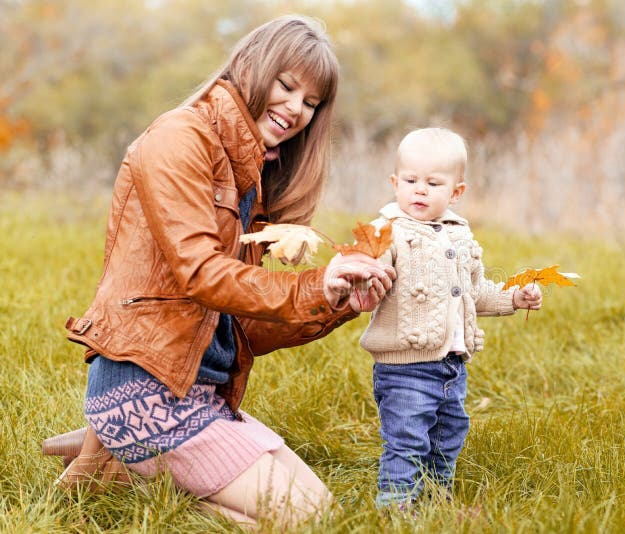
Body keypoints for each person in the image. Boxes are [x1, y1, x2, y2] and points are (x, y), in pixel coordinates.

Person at [48, 15, 395, 528]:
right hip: (145, 391)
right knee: (305, 521)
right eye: (287, 85)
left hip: (203, 396)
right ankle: (124, 461)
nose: (296, 109)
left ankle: (119, 465)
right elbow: (201, 273)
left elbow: (243, 325)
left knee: (328, 513)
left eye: (311, 102)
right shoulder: (179, 138)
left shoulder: (250, 173)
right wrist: (310, 285)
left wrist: (338, 297)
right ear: (251, 65)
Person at [359, 127, 543, 509]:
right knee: (408, 439)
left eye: (432, 183)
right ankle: (395, 506)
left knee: (449, 434)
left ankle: (436, 499)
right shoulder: (387, 232)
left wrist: (515, 297)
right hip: (404, 367)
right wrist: (362, 271)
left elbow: (474, 295)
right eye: (410, 181)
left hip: (452, 367)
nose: (419, 190)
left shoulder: (460, 236)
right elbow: (368, 270)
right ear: (395, 182)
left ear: (456, 192)